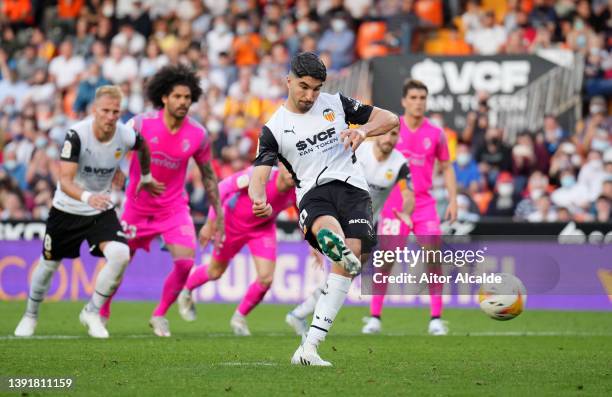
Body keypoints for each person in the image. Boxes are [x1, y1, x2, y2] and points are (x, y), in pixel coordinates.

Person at [249, 52, 398, 366]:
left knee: (356, 256)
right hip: (313, 192)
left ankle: (308, 348)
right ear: (288, 81)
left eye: (316, 88)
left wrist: (362, 131)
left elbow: (390, 119)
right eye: (303, 87)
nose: (310, 95)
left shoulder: (335, 103)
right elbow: (259, 173)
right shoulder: (274, 128)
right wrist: (259, 197)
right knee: (335, 236)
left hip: (354, 188)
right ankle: (335, 247)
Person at [14, 85, 163, 338]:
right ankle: (30, 315)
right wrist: (87, 196)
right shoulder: (77, 135)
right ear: (94, 110)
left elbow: (144, 146)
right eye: (105, 110)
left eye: (116, 112)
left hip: (99, 210)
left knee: (121, 254)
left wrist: (146, 176)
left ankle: (92, 311)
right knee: (49, 266)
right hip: (67, 209)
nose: (110, 116)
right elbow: (65, 181)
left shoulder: (125, 134)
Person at [98, 65, 224, 337]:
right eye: (177, 96)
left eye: (187, 98)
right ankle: (102, 310)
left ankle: (159, 315)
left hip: (173, 208)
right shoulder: (141, 124)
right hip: (137, 207)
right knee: (118, 263)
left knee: (185, 263)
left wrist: (219, 219)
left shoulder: (198, 135)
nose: (183, 102)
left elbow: (210, 177)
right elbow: (111, 146)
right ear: (164, 97)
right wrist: (116, 171)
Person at [285, 125, 414, 337]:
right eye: (387, 132)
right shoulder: (359, 148)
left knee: (347, 274)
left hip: (366, 223)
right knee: (343, 273)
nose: (389, 138)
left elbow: (408, 195)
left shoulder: (400, 163)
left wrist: (407, 212)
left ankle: (301, 314)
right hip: (339, 214)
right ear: (378, 133)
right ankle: (309, 320)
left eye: (394, 134)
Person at [362, 79, 457, 336]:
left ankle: (436, 318)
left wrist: (453, 200)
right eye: (413, 98)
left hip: (424, 203)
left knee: (433, 255)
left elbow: (447, 168)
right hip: (395, 203)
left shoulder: (436, 134)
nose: (418, 102)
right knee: (386, 260)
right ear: (404, 101)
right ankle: (374, 316)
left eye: (422, 98)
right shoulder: (392, 127)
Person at [176, 164, 296, 335]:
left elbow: (303, 213)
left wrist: (313, 245)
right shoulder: (260, 175)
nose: (292, 172)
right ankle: (186, 290)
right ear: (280, 164)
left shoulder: (299, 188)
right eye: (288, 166)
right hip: (231, 224)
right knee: (215, 272)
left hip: (263, 228)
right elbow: (221, 188)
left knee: (266, 278)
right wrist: (211, 223)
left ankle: (239, 318)